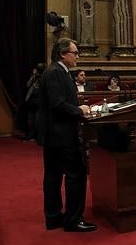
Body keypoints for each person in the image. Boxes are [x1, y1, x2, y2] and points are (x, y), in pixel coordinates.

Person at [35, 38, 97, 232]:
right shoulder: (55, 72)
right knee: (75, 175)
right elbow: (57, 104)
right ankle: (73, 219)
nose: (77, 56)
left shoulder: (58, 71)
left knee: (53, 176)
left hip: (56, 133)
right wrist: (79, 110)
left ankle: (54, 217)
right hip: (60, 134)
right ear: (63, 53)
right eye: (75, 52)